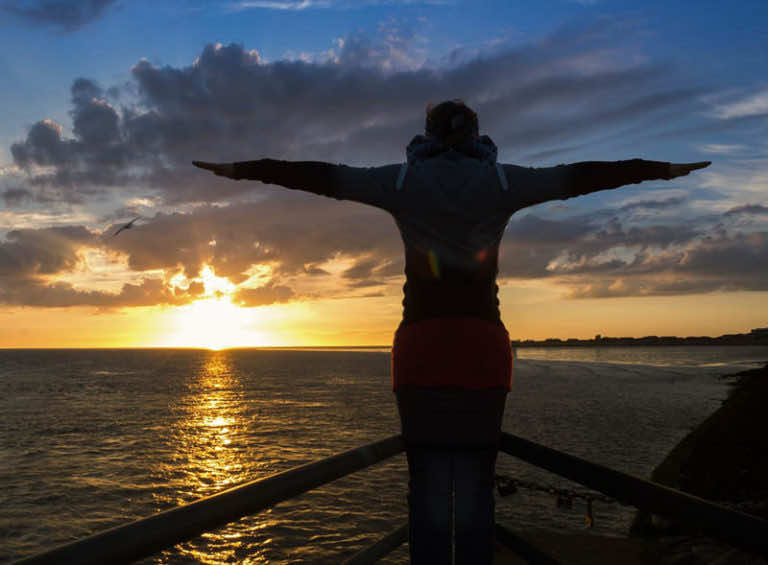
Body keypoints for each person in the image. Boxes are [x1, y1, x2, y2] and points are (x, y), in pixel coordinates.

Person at [193, 99, 710, 564]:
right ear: (478, 134)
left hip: (422, 349)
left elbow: (322, 176)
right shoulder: (504, 182)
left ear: (427, 133)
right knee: (477, 483)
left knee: (428, 487)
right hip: (484, 350)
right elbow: (582, 176)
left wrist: (242, 170)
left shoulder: (400, 182)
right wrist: (660, 170)